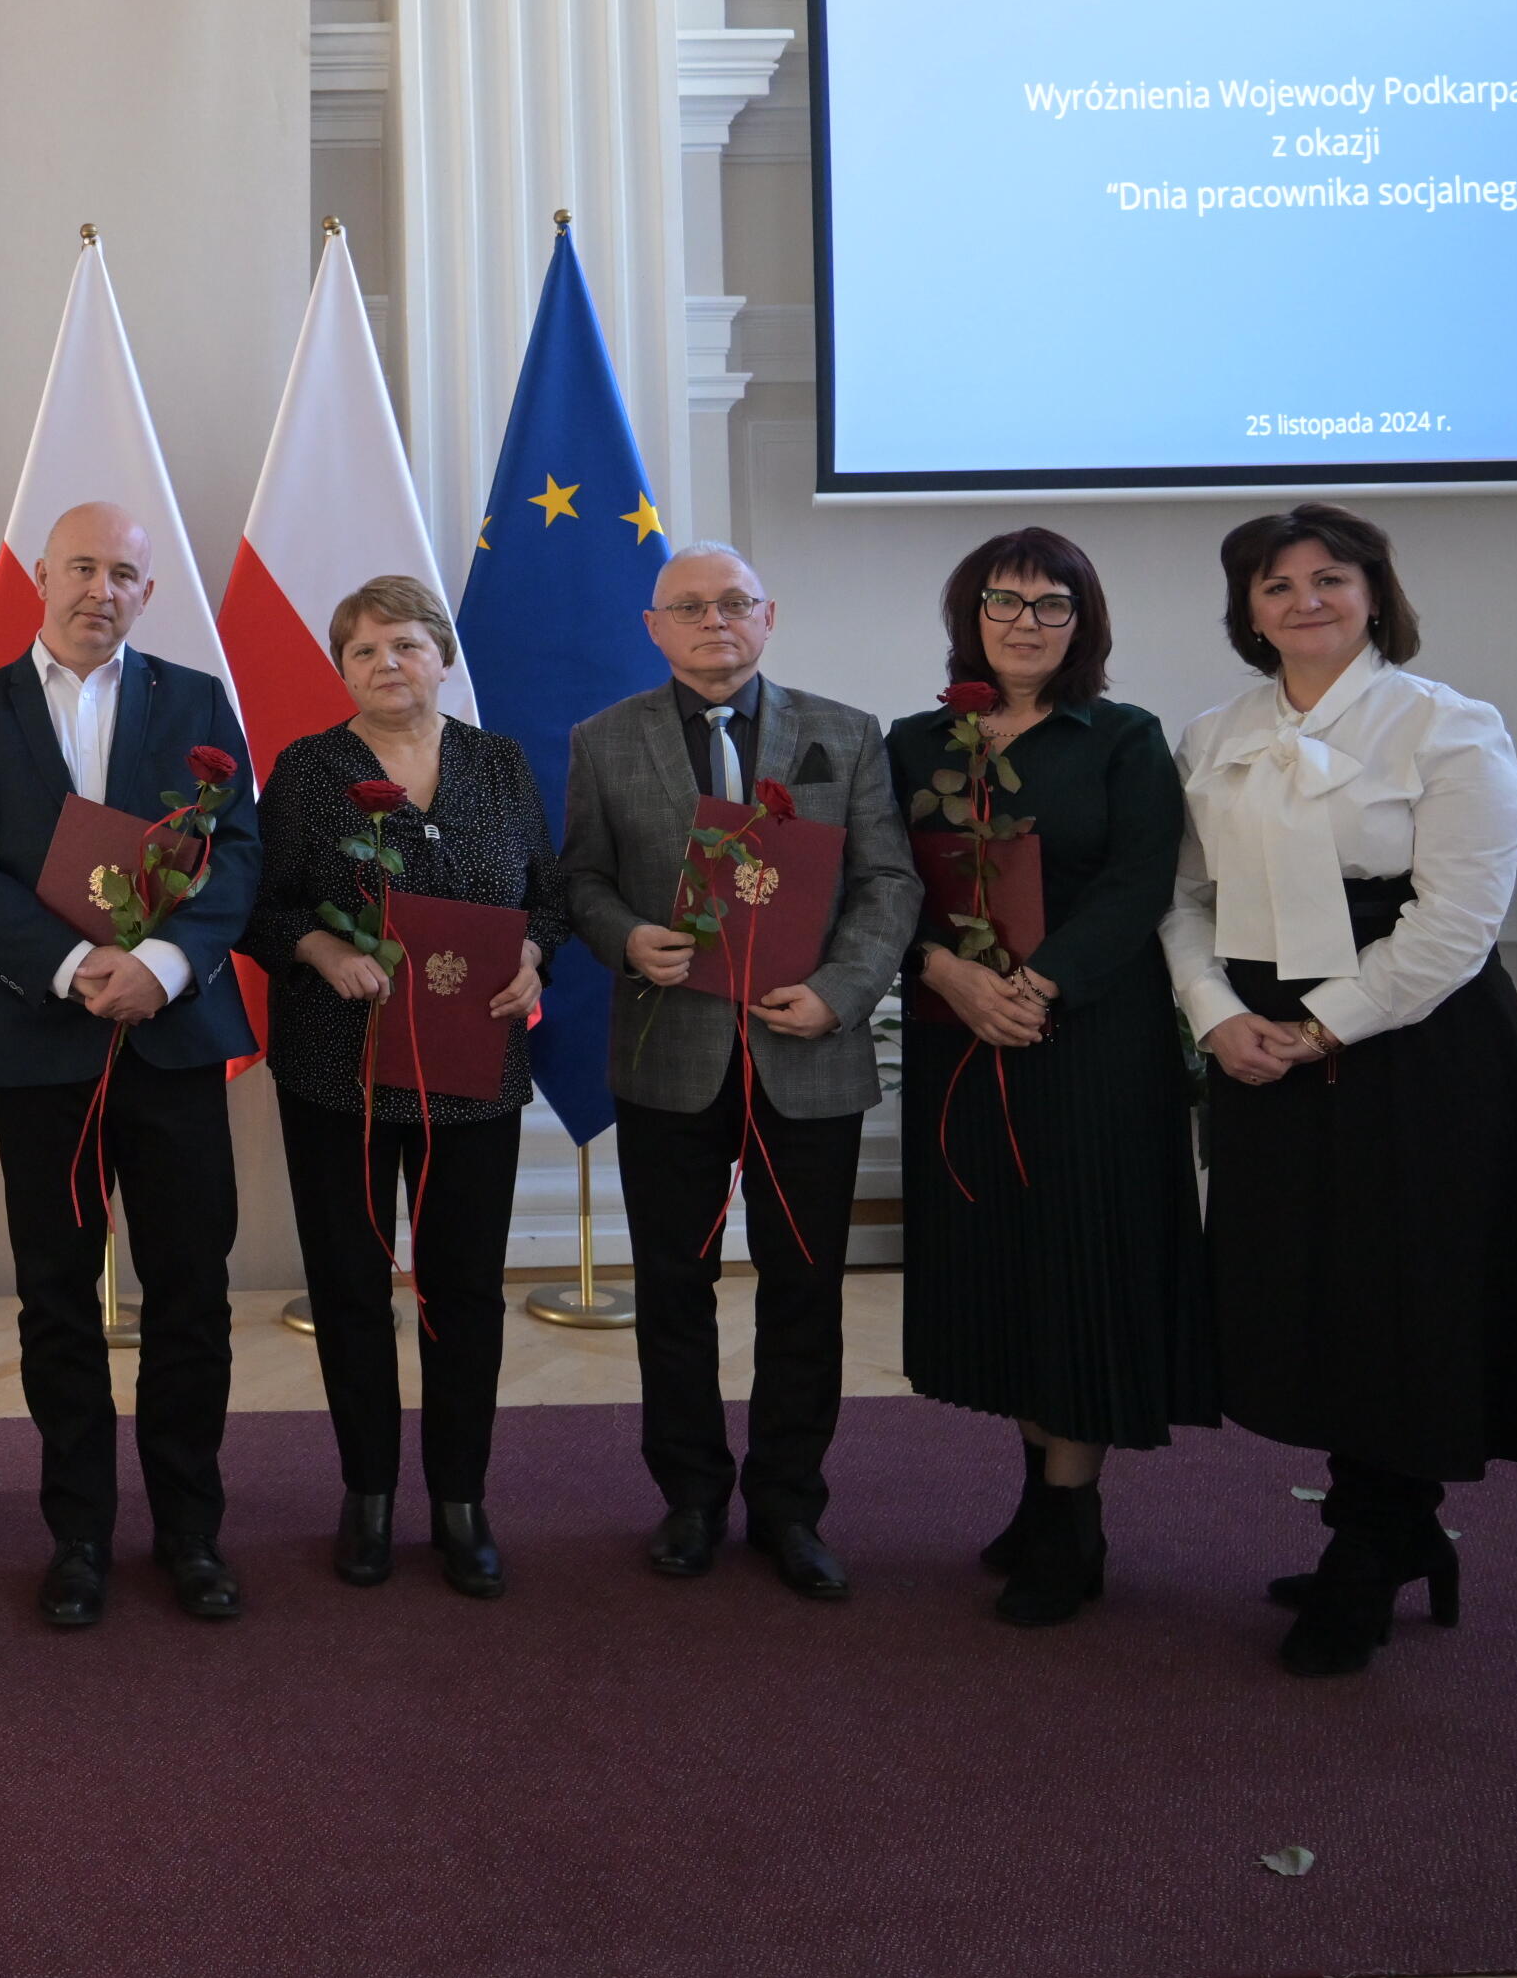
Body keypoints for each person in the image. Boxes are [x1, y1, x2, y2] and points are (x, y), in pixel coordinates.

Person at [1163, 503, 1517, 1676]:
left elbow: (1458, 922)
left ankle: (1374, 1539)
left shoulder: (1450, 726)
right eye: (1275, 584)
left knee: (1405, 1290)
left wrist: (1326, 1028)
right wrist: (1217, 1015)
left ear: (1373, 594)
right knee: (1305, 1290)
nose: (1304, 600)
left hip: (1416, 1045)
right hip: (1259, 1044)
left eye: (1329, 578)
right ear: (1248, 611)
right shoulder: (1212, 733)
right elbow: (1182, 898)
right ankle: (1388, 1525)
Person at [0, 501, 262, 1631]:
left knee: (191, 1293)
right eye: (80, 567)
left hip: (172, 1038)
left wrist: (163, 962)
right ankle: (78, 1534)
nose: (99, 589)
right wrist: (71, 966)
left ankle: (191, 1531)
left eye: (122, 573)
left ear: (147, 593)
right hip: (41, 1044)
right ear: (41, 574)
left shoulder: (197, 702)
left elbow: (238, 855)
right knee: (57, 1298)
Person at [557, 542, 919, 1603]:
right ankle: (691, 1498)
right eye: (689, 607)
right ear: (654, 627)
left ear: (769, 616)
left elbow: (889, 883)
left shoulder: (847, 733)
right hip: (669, 1054)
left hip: (808, 1050)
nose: (713, 622)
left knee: (804, 1288)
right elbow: (579, 878)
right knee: (675, 1288)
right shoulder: (602, 739)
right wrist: (627, 939)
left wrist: (842, 991)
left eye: (733, 603)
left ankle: (791, 1505)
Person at [884, 531, 1213, 1631]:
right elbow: (885, 887)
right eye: (1003, 601)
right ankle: (1037, 1496)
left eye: (1050, 604)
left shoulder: (1123, 737)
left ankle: (1073, 1519)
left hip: (1093, 1042)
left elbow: (1138, 884)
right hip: (959, 1037)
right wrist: (945, 972)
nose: (1025, 622)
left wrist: (1037, 985)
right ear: (968, 615)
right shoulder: (914, 742)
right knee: (1006, 1268)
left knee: (1081, 1269)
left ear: (1084, 622)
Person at [245, 575, 561, 1602]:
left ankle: (461, 1498)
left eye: (407, 644)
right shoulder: (308, 770)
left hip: (475, 1072)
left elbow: (548, 899)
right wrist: (321, 950)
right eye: (365, 650)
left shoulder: (500, 764)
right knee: (349, 1285)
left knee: (464, 1291)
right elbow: (260, 905)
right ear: (342, 669)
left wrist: (534, 958)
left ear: (443, 658)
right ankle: (369, 1492)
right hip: (335, 1071)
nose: (388, 664)